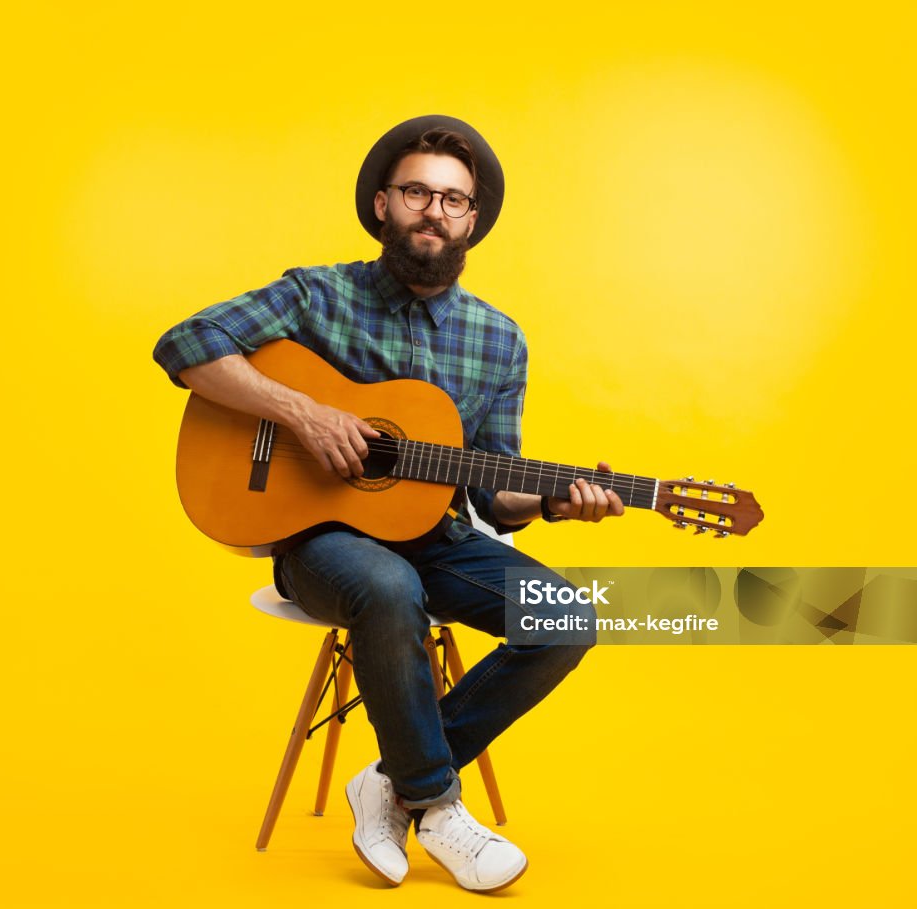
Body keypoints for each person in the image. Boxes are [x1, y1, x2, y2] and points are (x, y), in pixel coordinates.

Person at [153, 115, 624, 892]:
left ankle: (391, 782)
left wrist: (552, 503)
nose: (434, 211)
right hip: (317, 541)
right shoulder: (317, 294)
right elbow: (186, 344)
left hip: (432, 537)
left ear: (474, 219)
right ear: (382, 204)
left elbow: (493, 490)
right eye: (417, 192)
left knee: (566, 615)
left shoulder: (498, 339)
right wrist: (301, 411)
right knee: (385, 585)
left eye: (453, 200)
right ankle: (437, 804)